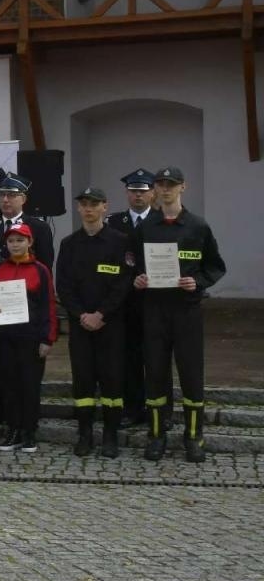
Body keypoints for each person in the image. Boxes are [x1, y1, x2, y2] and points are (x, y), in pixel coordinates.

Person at [132, 166, 226, 462]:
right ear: (156, 189)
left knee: (191, 374)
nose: (166, 189)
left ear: (182, 187)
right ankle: (157, 436)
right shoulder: (146, 228)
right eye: (161, 184)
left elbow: (215, 266)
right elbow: (132, 262)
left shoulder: (198, 226)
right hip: (155, 310)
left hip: (186, 310)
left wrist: (196, 282)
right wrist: (138, 278)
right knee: (156, 373)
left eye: (171, 184)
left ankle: (193, 436)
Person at [55, 187, 133, 458]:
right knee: (83, 381)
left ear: (105, 207)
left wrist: (101, 314)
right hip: (81, 326)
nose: (88, 209)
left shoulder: (120, 242)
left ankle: (110, 435)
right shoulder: (69, 244)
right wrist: (80, 315)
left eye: (94, 204)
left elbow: (123, 284)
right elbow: (63, 286)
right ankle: (85, 433)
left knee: (112, 381)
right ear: (78, 209)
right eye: (84, 204)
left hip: (110, 325)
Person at [0, 223, 56, 453]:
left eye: (20, 240)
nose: (15, 245)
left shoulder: (40, 270)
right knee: (9, 385)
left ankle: (29, 431)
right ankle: (13, 429)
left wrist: (48, 338)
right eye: (11, 241)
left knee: (29, 386)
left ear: (29, 242)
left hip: (31, 338)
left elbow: (49, 305)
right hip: (5, 337)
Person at [107, 168, 157, 427]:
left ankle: (161, 411)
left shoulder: (163, 219)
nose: (138, 195)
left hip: (157, 300)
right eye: (133, 191)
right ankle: (132, 407)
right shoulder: (115, 222)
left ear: (153, 193)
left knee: (157, 357)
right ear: (127, 193)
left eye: (143, 190)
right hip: (125, 301)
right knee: (129, 357)